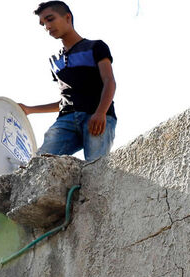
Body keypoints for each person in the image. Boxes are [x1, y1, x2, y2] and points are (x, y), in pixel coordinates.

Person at [19, 2, 117, 162]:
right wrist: (30, 109)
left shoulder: (95, 47)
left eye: (50, 19)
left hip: (96, 116)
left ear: (67, 17)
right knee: (40, 163)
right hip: (66, 120)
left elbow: (109, 81)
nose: (47, 27)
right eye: (43, 24)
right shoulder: (54, 61)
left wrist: (101, 113)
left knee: (95, 167)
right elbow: (65, 100)